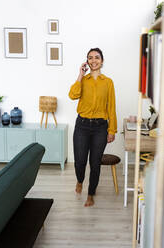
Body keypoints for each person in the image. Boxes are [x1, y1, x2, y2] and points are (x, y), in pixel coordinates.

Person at [69, 48, 117, 207]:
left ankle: (90, 194)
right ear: (87, 62)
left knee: (95, 162)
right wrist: (80, 74)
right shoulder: (83, 80)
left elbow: (111, 107)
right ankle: (80, 180)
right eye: (90, 58)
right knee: (80, 161)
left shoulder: (108, 82)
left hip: (100, 128)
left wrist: (112, 130)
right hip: (82, 126)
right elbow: (72, 95)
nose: (93, 60)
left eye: (97, 57)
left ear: (102, 61)